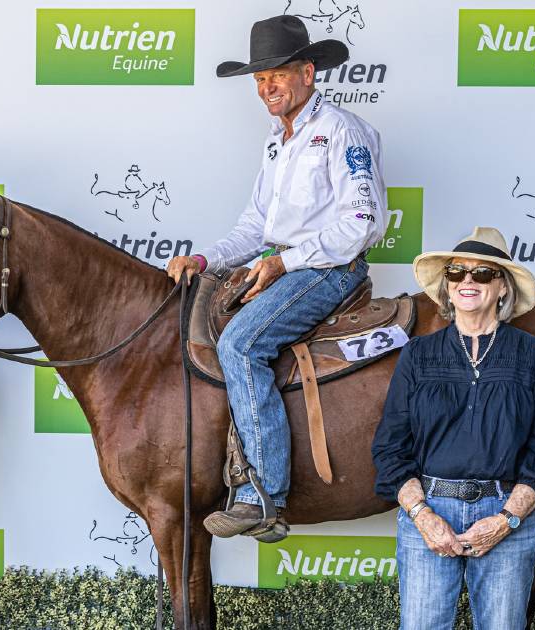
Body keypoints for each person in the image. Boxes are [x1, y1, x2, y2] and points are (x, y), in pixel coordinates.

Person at [165, 14, 387, 542]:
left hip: (329, 267)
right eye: (260, 80)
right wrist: (203, 261)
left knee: (241, 344)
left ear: (308, 72)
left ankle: (262, 491)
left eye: (278, 75)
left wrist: (283, 262)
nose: (267, 88)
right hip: (287, 265)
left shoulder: (342, 131)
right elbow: (253, 227)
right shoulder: (276, 142)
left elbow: (362, 221)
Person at [372, 227, 535, 630]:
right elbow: (391, 447)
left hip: (505, 509)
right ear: (446, 286)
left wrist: (507, 519)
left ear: (502, 287)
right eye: (457, 272)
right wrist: (424, 516)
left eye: (482, 274)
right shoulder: (418, 354)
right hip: (430, 507)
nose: (467, 281)